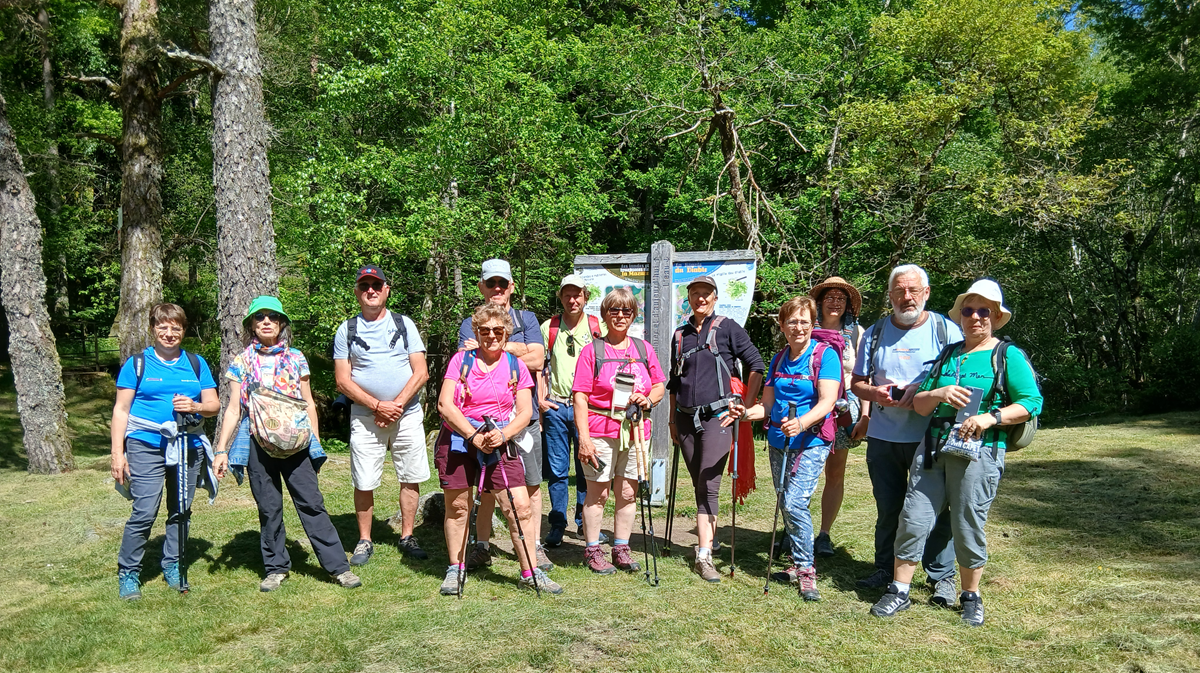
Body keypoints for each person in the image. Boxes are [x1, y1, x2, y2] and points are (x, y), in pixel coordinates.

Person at [870, 278, 1042, 626]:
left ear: (995, 316)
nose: (975, 317)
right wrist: (940, 392)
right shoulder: (948, 355)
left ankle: (970, 596)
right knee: (913, 518)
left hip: (981, 452)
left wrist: (990, 417)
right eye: (968, 310)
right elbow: (919, 405)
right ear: (960, 316)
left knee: (967, 523)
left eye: (984, 311)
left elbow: (1031, 402)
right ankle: (899, 590)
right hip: (933, 448)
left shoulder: (1006, 355)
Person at [212, 296, 361, 592]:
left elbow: (308, 403)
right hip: (256, 442)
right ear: (251, 325)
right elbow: (232, 409)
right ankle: (276, 567)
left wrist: (315, 443)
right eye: (260, 317)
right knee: (269, 508)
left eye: (272, 317)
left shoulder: (296, 358)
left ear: (281, 324)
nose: (266, 321)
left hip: (297, 444)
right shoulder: (241, 362)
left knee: (312, 504)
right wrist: (220, 449)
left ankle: (338, 567)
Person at [850, 264, 961, 606]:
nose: (906, 297)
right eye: (899, 291)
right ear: (890, 295)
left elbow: (961, 379)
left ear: (926, 293)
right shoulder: (875, 333)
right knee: (888, 507)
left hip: (932, 435)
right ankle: (885, 569)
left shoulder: (947, 331)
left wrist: (926, 391)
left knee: (937, 508)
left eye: (913, 290)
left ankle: (941, 576)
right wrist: (876, 394)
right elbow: (856, 384)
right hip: (884, 436)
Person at [435, 303, 563, 595]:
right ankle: (455, 568)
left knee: (519, 506)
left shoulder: (516, 365)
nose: (491, 336)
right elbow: (445, 404)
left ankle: (530, 571)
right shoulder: (461, 360)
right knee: (458, 506)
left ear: (506, 334)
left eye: (497, 331)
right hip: (459, 439)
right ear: (477, 333)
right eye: (484, 331)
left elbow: (524, 411)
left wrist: (503, 434)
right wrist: (472, 435)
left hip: (500, 440)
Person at [110, 304, 220, 600]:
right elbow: (121, 410)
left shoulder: (196, 363)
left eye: (176, 328)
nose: (169, 333)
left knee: (181, 510)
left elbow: (213, 405)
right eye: (163, 327)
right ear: (153, 329)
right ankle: (129, 571)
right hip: (145, 443)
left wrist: (195, 406)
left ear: (184, 331)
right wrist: (117, 454)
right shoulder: (137, 364)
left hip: (188, 445)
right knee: (145, 510)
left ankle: (173, 564)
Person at [667, 275, 764, 583]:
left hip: (718, 418)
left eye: (705, 293)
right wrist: (671, 420)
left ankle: (703, 555)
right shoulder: (680, 335)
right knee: (699, 482)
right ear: (689, 298)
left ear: (714, 297)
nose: (700, 299)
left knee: (709, 482)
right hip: (684, 419)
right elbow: (673, 381)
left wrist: (745, 408)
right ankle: (711, 539)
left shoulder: (728, 328)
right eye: (695, 293)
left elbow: (756, 365)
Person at [456, 259, 550, 572]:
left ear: (511, 286)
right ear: (482, 287)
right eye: (491, 283)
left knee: (532, 485)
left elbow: (539, 358)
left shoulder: (527, 318)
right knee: (487, 488)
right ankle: (481, 546)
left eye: (502, 283)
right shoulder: (469, 323)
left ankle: (534, 547)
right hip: (482, 424)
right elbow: (464, 361)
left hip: (525, 420)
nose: (497, 289)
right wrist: (517, 350)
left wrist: (497, 347)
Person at [744, 296, 840, 601]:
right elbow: (767, 406)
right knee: (786, 500)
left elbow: (828, 401)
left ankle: (806, 569)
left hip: (811, 440)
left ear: (813, 324)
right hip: (778, 441)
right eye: (792, 321)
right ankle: (796, 562)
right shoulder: (778, 358)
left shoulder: (825, 356)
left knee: (796, 502)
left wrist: (801, 423)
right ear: (782, 325)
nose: (798, 327)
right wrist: (743, 414)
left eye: (804, 321)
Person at [333, 266, 430, 566]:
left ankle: (407, 536)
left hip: (407, 412)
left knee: (410, 476)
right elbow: (342, 380)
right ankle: (364, 539)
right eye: (365, 286)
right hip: (364, 416)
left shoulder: (404, 324)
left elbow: (421, 371)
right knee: (363, 479)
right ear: (357, 292)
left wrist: (396, 405)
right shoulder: (346, 329)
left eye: (377, 285)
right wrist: (377, 405)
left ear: (387, 289)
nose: (371, 290)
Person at [572, 288, 667, 573]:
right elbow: (580, 396)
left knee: (627, 492)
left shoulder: (643, 349)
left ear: (633, 315)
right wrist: (584, 438)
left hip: (636, 429)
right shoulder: (593, 351)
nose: (620, 316)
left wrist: (648, 399)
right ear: (604, 314)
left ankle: (621, 548)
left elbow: (660, 385)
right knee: (598, 493)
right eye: (614, 311)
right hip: (600, 429)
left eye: (626, 311)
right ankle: (592, 550)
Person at [539, 274, 604, 547]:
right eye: (567, 294)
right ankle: (557, 523)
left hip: (586, 409)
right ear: (560, 296)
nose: (572, 300)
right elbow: (539, 366)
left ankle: (583, 522)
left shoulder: (596, 326)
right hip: (556, 406)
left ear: (585, 296)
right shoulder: (549, 327)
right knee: (557, 470)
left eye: (577, 294)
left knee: (586, 466)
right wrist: (541, 399)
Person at [809, 276, 871, 557]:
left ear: (848, 305)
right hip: (808, 405)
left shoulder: (859, 334)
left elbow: (865, 377)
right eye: (830, 297)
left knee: (835, 473)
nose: (835, 302)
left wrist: (866, 416)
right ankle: (794, 527)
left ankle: (824, 534)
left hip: (844, 408)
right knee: (800, 472)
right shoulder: (805, 327)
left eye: (841, 298)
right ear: (820, 302)